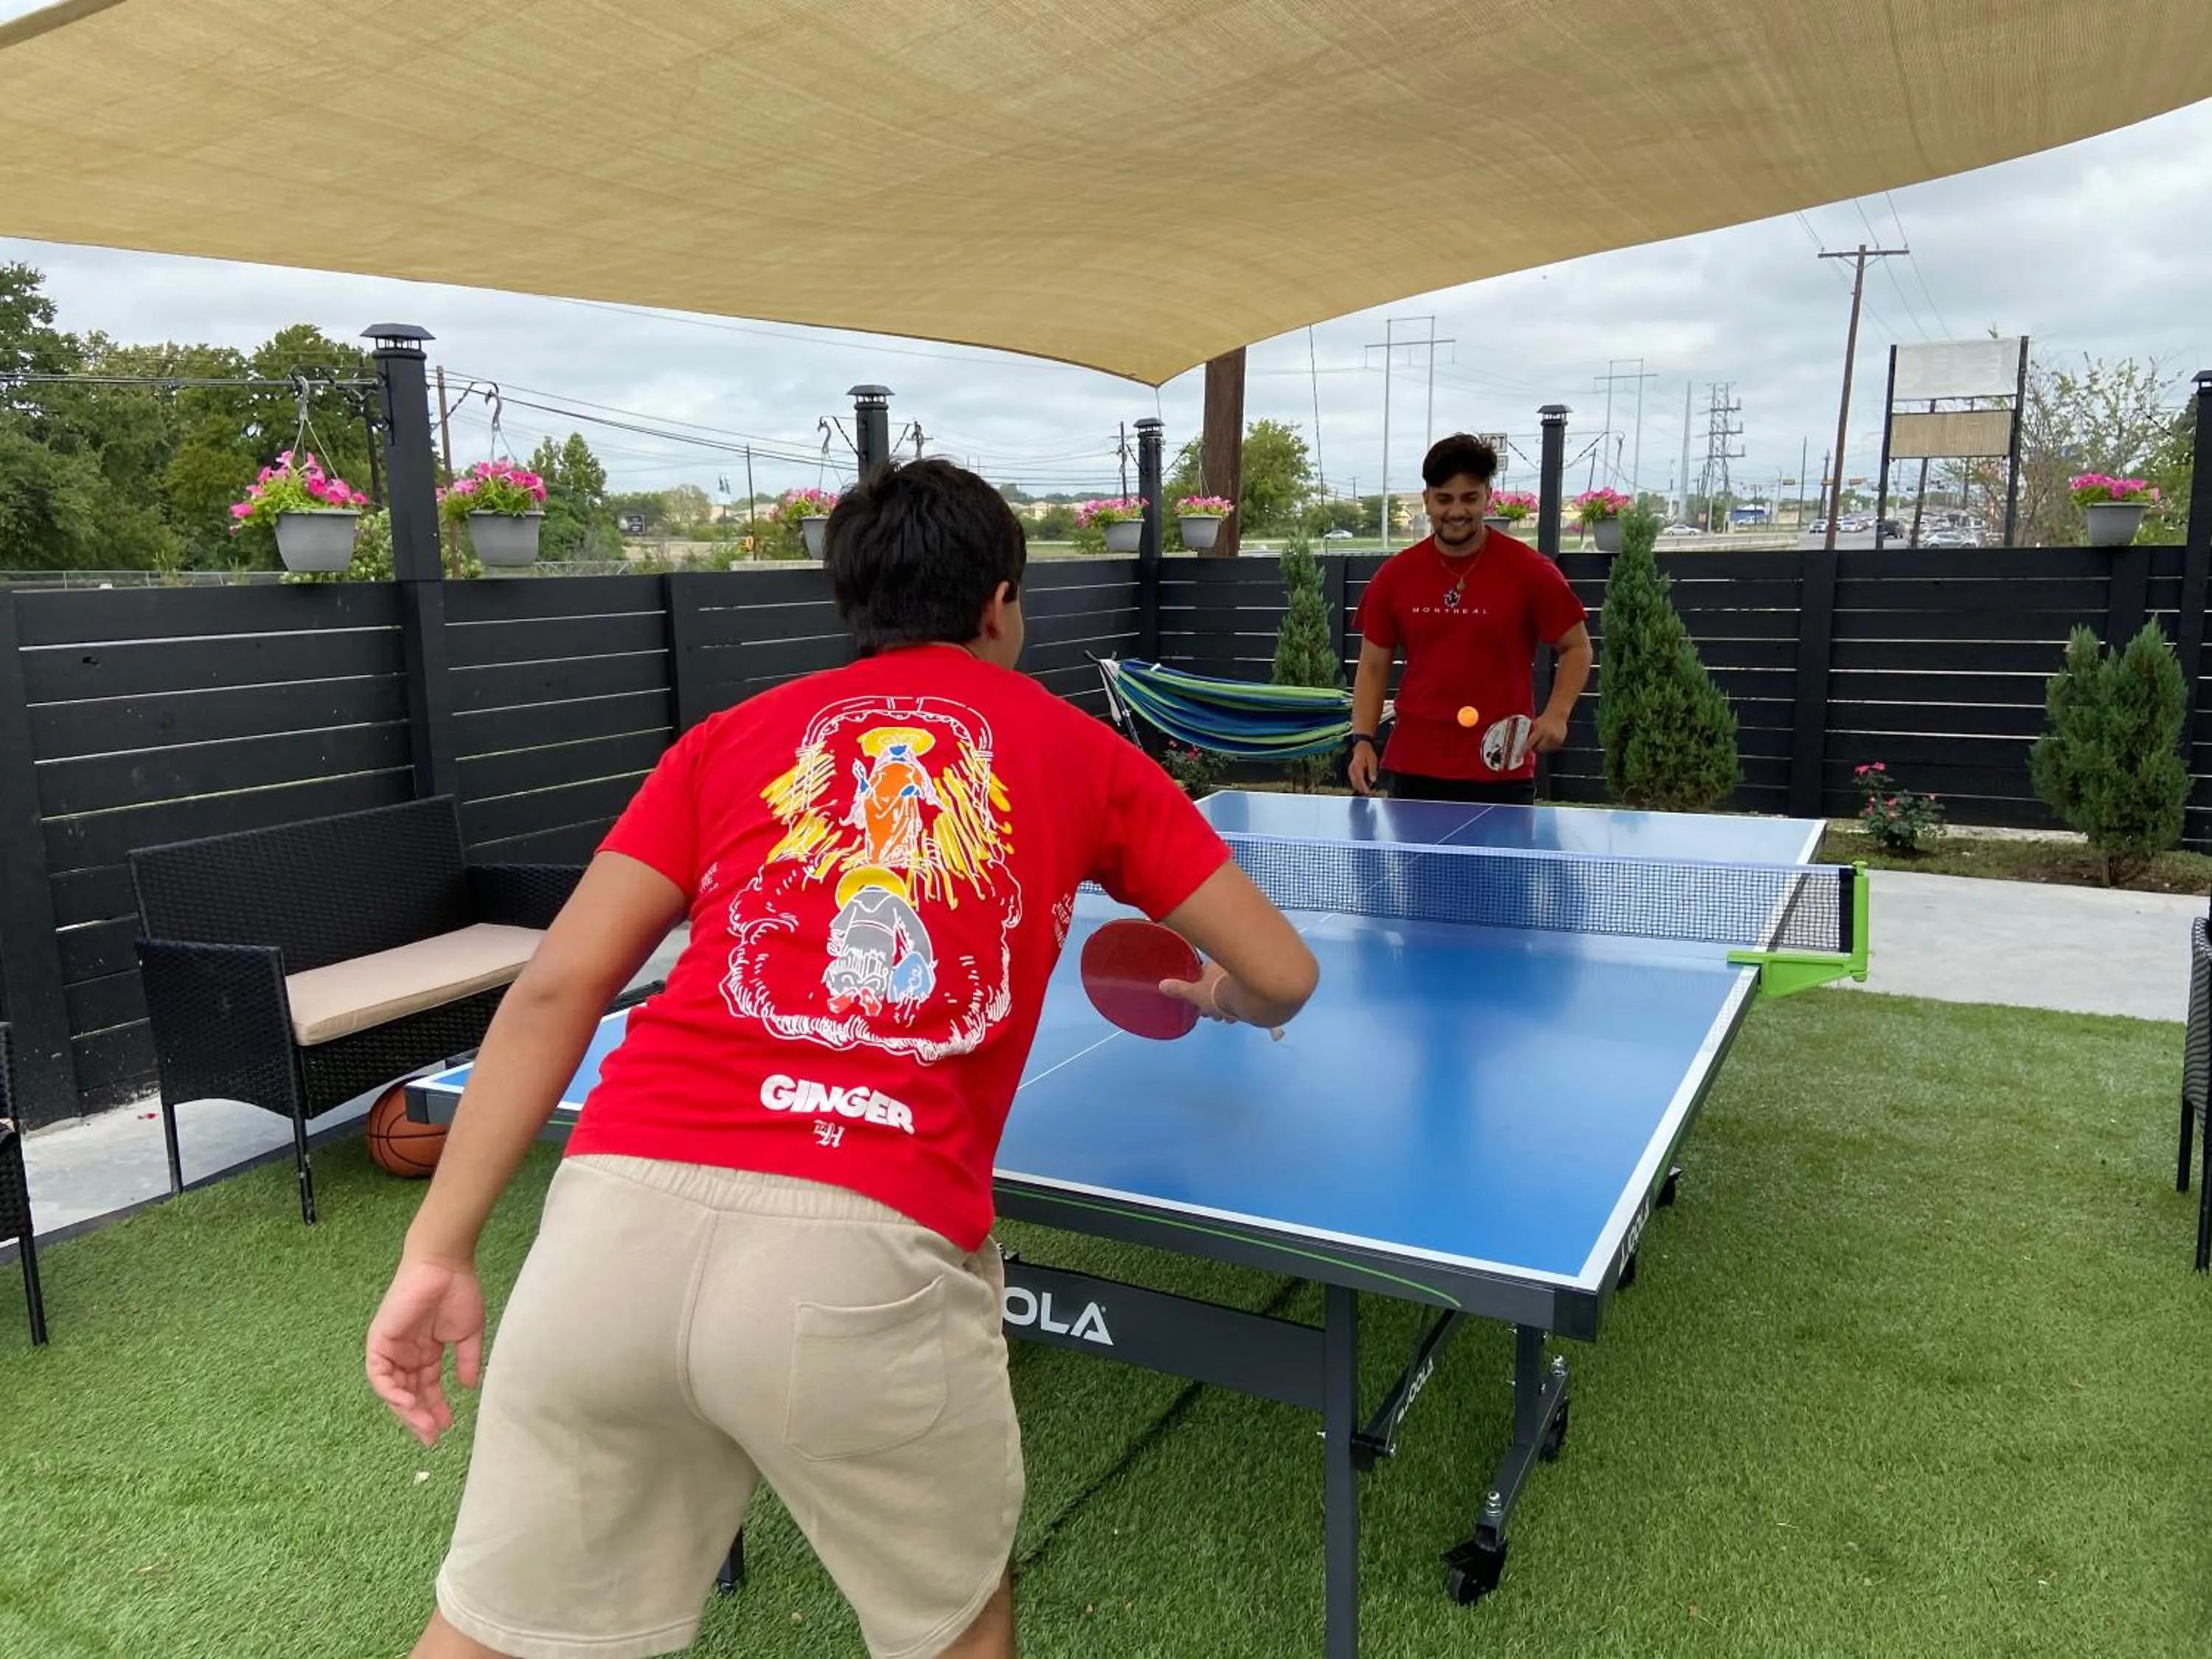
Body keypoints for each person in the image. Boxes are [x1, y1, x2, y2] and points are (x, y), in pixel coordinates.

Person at [365, 456, 1318, 1659]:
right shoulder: (1085, 755)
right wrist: (1225, 996)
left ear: (848, 605)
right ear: (1001, 602)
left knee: (487, 1635)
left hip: (609, 1225)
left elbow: (560, 984)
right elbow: (1285, 972)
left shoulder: (727, 741)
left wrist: (437, 1247)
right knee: (956, 1634)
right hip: (862, 1253)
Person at [1346, 433, 1594, 804]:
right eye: (1445, 499)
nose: (1457, 511)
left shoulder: (1530, 572)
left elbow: (1576, 647)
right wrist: (1363, 740)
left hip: (1501, 767)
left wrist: (1558, 713)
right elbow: (1372, 668)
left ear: (1487, 496)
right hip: (1415, 768)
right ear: (1427, 499)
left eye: (1469, 498)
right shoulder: (1394, 577)